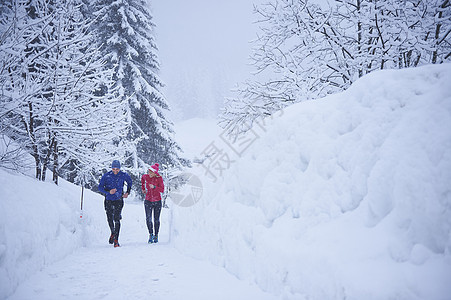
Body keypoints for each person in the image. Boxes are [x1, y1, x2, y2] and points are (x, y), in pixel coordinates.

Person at [98, 160, 132, 247]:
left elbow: (130, 182)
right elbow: (100, 187)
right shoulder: (106, 176)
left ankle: (116, 240)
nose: (115, 170)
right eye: (114, 169)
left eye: (117, 169)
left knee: (117, 218)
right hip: (108, 199)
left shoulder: (123, 175)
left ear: (120, 168)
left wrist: (127, 192)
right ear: (111, 168)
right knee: (109, 218)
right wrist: (108, 191)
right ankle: (113, 232)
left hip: (118, 199)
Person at [141, 163, 164, 243]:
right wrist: (143, 188)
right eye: (148, 171)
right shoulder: (146, 176)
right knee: (148, 219)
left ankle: (156, 235)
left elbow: (162, 189)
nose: (149, 173)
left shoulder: (159, 178)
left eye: (151, 172)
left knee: (156, 219)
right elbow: (142, 179)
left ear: (155, 173)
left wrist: (154, 187)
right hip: (148, 201)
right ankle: (150, 234)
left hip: (157, 201)